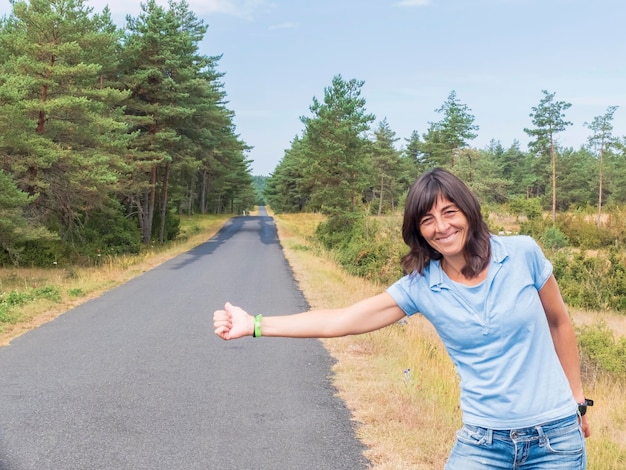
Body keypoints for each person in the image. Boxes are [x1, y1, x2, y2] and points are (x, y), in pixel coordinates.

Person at [213, 168, 592, 469]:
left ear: (468, 211)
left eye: (449, 212)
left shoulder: (522, 254)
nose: (441, 227)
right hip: (483, 443)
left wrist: (577, 401)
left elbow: (559, 323)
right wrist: (256, 325)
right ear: (418, 230)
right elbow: (341, 321)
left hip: (554, 440)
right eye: (428, 219)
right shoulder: (421, 285)